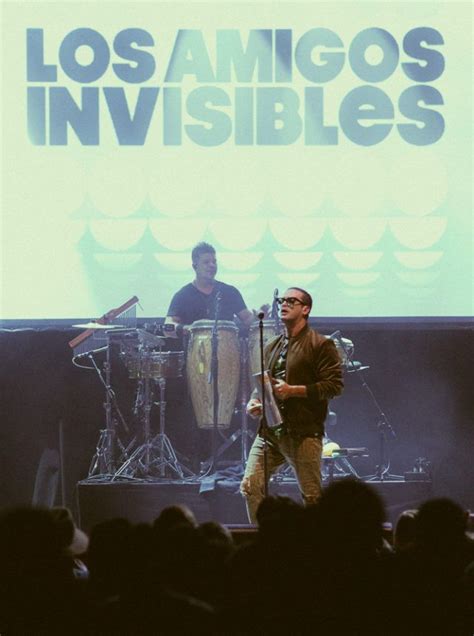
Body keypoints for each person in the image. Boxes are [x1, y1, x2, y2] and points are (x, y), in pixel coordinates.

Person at [240, 287, 344, 523]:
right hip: (270, 432)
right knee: (250, 486)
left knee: (312, 497)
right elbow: (264, 384)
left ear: (305, 309)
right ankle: (263, 544)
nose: (283, 304)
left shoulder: (320, 345)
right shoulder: (272, 346)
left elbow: (334, 386)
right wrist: (254, 402)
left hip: (303, 433)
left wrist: (293, 391)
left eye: (290, 301)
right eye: (281, 301)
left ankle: (312, 551)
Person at [165, 242, 264, 330]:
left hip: (228, 349)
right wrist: (188, 329)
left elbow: (247, 319)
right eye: (206, 262)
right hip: (195, 349)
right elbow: (168, 326)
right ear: (195, 266)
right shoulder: (183, 295)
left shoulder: (229, 292)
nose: (212, 265)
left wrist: (258, 317)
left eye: (214, 262)